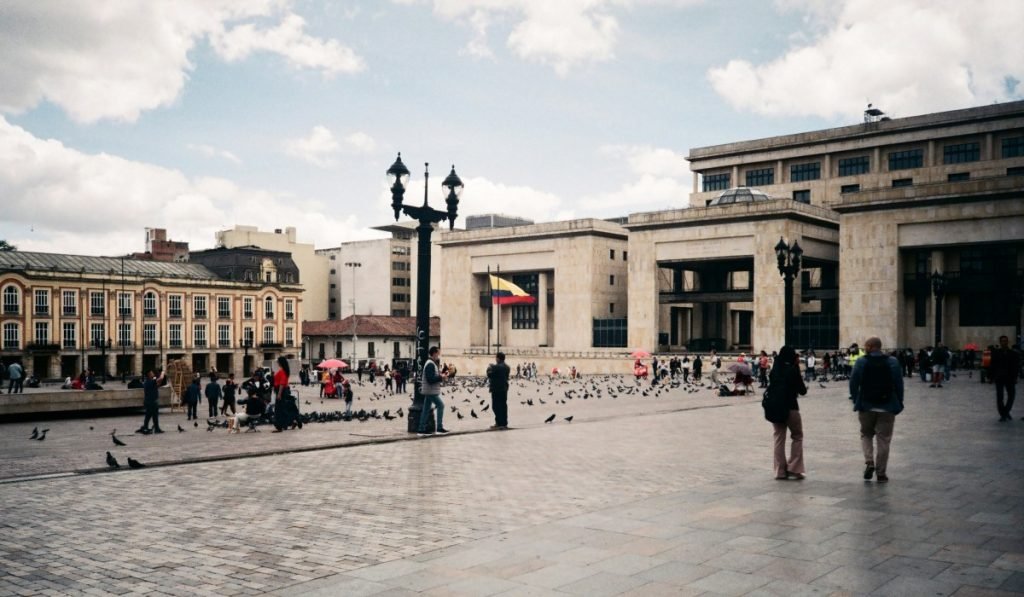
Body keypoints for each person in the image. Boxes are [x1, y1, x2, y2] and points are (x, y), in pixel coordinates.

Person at [850, 337, 904, 483]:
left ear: (870, 346)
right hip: (887, 406)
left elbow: (853, 382)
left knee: (866, 434)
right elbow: (899, 383)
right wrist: (899, 402)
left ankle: (869, 462)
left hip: (866, 405)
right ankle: (881, 474)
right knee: (884, 440)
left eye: (865, 345)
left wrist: (856, 399)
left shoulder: (862, 361)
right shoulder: (892, 361)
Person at [766, 345, 807, 480]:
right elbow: (802, 390)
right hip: (790, 407)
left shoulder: (775, 370)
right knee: (797, 435)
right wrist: (796, 368)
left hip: (775, 408)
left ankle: (779, 471)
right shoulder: (792, 370)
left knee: (779, 438)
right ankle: (794, 468)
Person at [417, 346, 449, 437]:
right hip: (430, 390)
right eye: (438, 353)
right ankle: (439, 428)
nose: (439, 355)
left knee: (426, 409)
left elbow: (432, 377)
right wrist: (441, 377)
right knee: (441, 405)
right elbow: (430, 379)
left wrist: (441, 376)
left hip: (429, 390)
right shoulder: (430, 364)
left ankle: (421, 429)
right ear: (434, 353)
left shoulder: (431, 363)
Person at [992, 335, 1021, 422]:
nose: (1004, 342)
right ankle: (1003, 414)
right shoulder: (996, 353)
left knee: (1011, 396)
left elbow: (1016, 367)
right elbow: (993, 365)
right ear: (1000, 342)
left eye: (1005, 341)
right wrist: (992, 376)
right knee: (1000, 397)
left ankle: (1005, 412)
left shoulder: (1013, 353)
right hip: (999, 377)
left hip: (1010, 377)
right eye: (1002, 341)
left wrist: (1015, 377)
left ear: (1008, 342)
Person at [273, 356, 300, 432]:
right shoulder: (284, 370)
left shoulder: (282, 371)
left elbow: (282, 383)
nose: (277, 362)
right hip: (281, 390)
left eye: (278, 361)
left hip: (280, 391)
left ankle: (282, 425)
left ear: (281, 362)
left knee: (279, 409)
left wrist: (279, 394)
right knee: (282, 409)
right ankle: (288, 423)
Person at [137, 370, 166, 434]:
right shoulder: (150, 381)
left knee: (149, 416)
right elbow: (160, 378)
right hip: (152, 402)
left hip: (149, 402)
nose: (153, 374)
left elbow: (157, 384)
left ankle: (147, 427)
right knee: (153, 416)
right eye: (152, 373)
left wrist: (159, 379)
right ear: (149, 375)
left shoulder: (148, 382)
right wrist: (163, 373)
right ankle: (155, 429)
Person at [487, 351, 511, 430]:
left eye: (496, 357)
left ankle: (499, 423)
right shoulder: (507, 367)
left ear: (498, 358)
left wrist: (489, 368)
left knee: (496, 406)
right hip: (504, 389)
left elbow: (490, 375)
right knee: (503, 406)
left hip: (496, 389)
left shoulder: (496, 367)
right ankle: (504, 423)